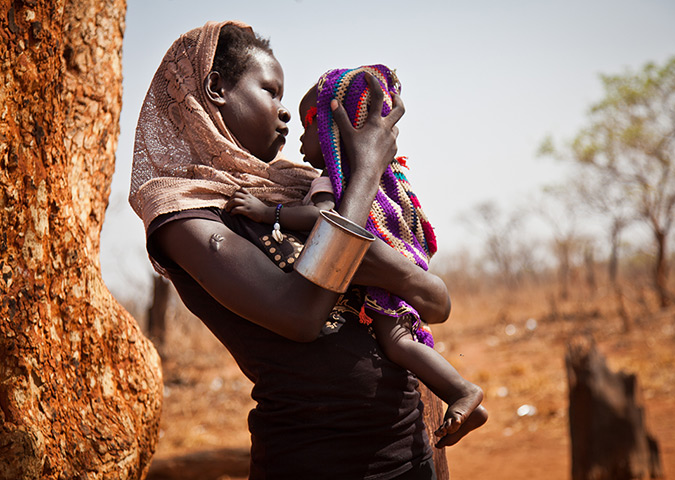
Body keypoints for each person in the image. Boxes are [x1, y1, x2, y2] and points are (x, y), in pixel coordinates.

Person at [129, 20, 476, 479]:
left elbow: (435, 302)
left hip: (409, 447)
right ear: (216, 88)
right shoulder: (183, 213)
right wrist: (368, 170)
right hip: (314, 455)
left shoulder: (297, 189)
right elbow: (301, 316)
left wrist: (395, 266)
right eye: (270, 91)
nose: (286, 111)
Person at [227, 65, 488, 441]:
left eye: (309, 123)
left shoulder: (338, 182)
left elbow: (324, 217)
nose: (300, 135)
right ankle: (465, 396)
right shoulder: (381, 182)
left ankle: (462, 391)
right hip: (402, 273)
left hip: (374, 280)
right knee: (403, 340)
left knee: (398, 342)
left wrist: (269, 212)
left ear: (334, 127)